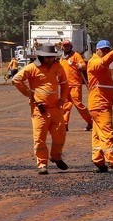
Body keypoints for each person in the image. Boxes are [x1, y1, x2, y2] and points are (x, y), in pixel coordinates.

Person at [12, 43, 70, 175]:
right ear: (41, 57)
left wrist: (62, 100)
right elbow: (16, 79)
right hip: (40, 110)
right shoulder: (32, 67)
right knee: (40, 138)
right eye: (47, 57)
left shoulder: (58, 66)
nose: (49, 59)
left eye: (51, 57)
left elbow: (65, 85)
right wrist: (30, 95)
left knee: (60, 136)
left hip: (56, 108)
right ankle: (42, 164)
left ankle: (56, 157)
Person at [87, 39, 113, 173]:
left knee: (98, 134)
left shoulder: (102, 65)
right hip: (100, 104)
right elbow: (103, 62)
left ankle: (98, 160)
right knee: (107, 133)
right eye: (102, 49)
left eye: (107, 50)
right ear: (96, 50)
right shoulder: (94, 63)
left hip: (100, 104)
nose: (104, 52)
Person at [60, 39, 93, 132]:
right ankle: (64, 124)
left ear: (71, 46)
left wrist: (80, 65)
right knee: (65, 105)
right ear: (62, 47)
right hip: (65, 85)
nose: (66, 47)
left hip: (75, 84)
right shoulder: (62, 58)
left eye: (67, 45)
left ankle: (91, 122)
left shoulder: (75, 55)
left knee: (78, 104)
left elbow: (83, 65)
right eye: (64, 45)